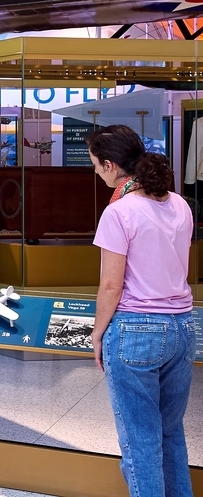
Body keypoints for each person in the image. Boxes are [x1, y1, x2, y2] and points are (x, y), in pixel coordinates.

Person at [88, 124, 194, 497]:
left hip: (135, 330)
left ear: (110, 165)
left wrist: (97, 333)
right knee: (170, 433)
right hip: (182, 327)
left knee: (140, 440)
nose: (96, 173)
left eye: (96, 166)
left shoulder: (119, 212)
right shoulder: (179, 203)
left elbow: (111, 285)